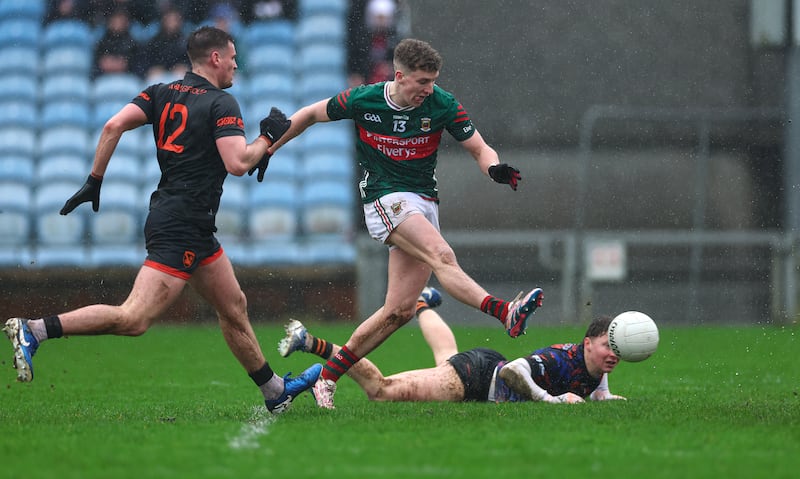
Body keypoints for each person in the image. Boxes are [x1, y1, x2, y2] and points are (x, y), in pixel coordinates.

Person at [3, 26, 320, 415]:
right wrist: (266, 139)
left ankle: (274, 391)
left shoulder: (160, 91)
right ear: (215, 58)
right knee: (134, 318)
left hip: (186, 221)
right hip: (182, 225)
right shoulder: (222, 103)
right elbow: (238, 163)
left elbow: (112, 126)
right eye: (233, 56)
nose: (237, 63)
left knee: (234, 305)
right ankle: (35, 329)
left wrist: (94, 180)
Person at [265, 38, 543, 409]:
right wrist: (269, 146)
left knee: (398, 312)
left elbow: (478, 146)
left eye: (432, 81)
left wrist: (493, 167)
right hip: (385, 197)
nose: (429, 90)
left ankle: (328, 377)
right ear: (400, 76)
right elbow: (310, 114)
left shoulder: (441, 103)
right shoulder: (364, 99)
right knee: (441, 255)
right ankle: (504, 311)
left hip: (423, 202)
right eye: (422, 82)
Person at [278, 287, 627, 404]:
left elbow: (591, 376)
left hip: (476, 367)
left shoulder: (593, 362)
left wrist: (604, 394)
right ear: (586, 343)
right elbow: (511, 371)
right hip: (476, 378)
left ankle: (421, 304)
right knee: (380, 390)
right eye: (605, 346)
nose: (612, 354)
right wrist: (551, 401)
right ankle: (314, 348)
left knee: (446, 356)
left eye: (615, 349)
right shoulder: (559, 358)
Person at [139, 7, 190, 82]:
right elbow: (144, 62)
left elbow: (193, 62)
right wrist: (151, 69)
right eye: (169, 20)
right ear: (163, 21)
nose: (172, 23)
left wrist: (186, 67)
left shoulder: (186, 42)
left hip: (179, 74)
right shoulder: (154, 41)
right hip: (158, 75)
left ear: (180, 22)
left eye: (175, 20)